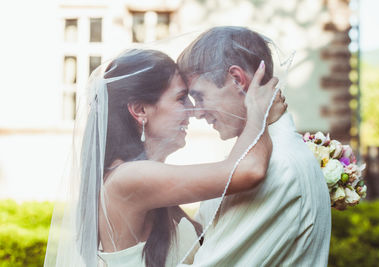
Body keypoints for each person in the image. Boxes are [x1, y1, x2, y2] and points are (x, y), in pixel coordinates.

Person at [44, 48, 287, 267]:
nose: (193, 111)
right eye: (181, 98)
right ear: (140, 110)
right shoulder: (129, 177)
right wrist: (258, 110)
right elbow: (250, 170)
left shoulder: (145, 178)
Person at [177, 26, 332, 266]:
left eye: (200, 96)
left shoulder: (277, 167)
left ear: (237, 80)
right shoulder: (253, 156)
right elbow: (200, 239)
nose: (196, 112)